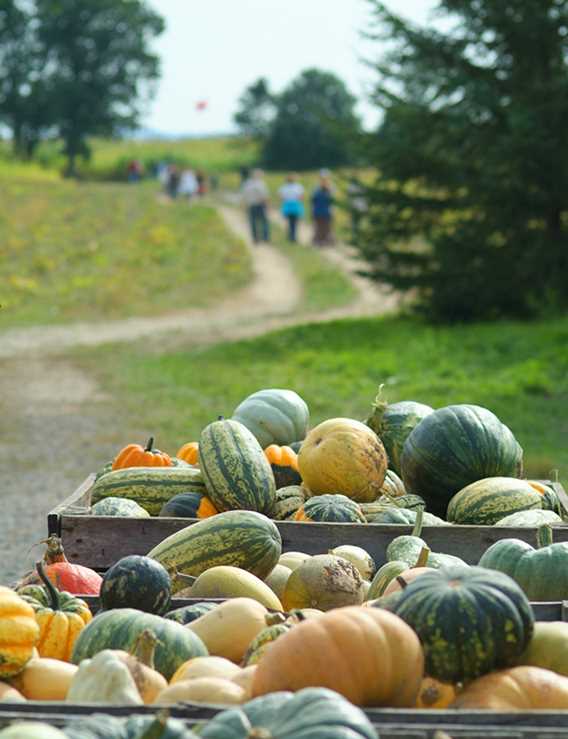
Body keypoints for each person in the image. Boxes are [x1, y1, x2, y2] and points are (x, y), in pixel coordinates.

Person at [242, 169, 270, 244]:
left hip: (251, 205)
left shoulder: (247, 184)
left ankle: (255, 238)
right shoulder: (261, 184)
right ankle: (265, 237)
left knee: (253, 222)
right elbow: (264, 196)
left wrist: (245, 205)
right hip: (260, 204)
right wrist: (267, 205)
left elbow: (244, 195)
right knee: (264, 222)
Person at [278, 174, 304, 243]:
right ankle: (293, 236)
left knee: (290, 222)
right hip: (294, 205)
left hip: (288, 206)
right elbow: (301, 197)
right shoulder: (298, 187)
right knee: (294, 223)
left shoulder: (284, 187)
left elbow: (281, 197)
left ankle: (291, 236)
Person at [311, 175, 334, 246]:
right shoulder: (327, 193)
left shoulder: (317, 192)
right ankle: (322, 240)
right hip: (323, 212)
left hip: (321, 212)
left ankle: (321, 241)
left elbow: (313, 202)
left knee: (322, 228)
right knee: (323, 228)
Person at [346, 176, 367, 244]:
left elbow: (350, 198)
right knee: (359, 224)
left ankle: (356, 239)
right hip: (362, 208)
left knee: (355, 225)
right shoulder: (361, 186)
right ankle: (359, 239)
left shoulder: (351, 187)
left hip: (356, 208)